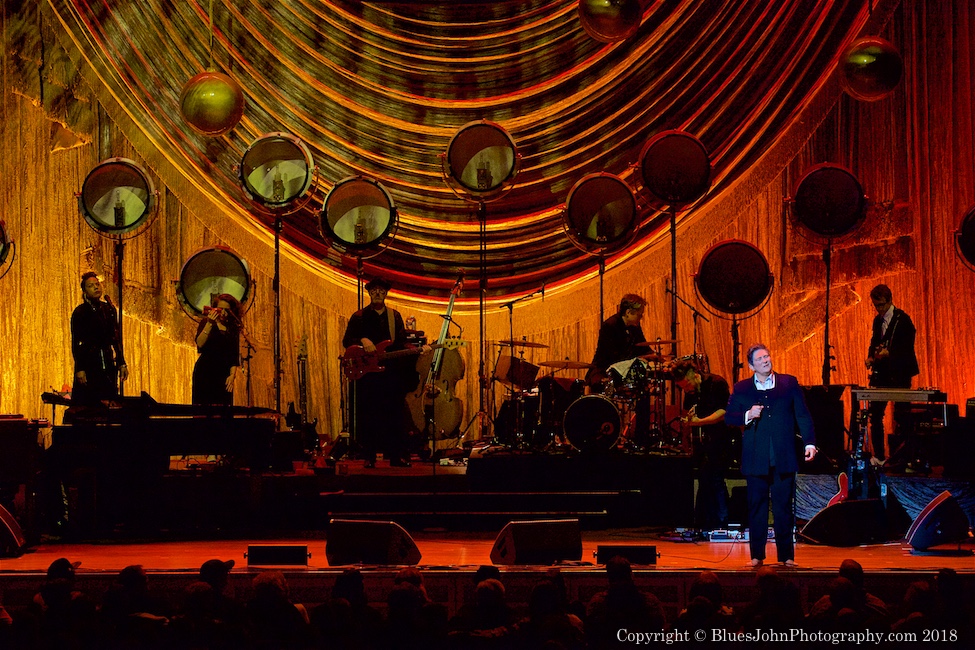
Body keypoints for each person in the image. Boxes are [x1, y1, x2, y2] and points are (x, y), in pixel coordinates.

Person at [725, 344, 816, 567]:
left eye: (767, 356)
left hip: (783, 457)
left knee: (783, 508)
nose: (766, 360)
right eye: (760, 359)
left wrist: (810, 442)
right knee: (757, 507)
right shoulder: (742, 388)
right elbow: (729, 418)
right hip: (756, 459)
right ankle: (757, 556)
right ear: (751, 366)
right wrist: (747, 414)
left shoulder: (788, 383)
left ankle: (786, 557)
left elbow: (802, 414)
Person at [342, 276, 420, 468]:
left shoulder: (395, 317)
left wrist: (418, 349)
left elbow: (401, 343)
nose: (378, 293)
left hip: (390, 374)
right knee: (368, 416)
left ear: (386, 294)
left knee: (394, 415)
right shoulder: (358, 316)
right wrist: (362, 340)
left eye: (381, 290)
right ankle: (368, 456)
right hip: (367, 376)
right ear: (369, 293)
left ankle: (395, 457)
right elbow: (347, 341)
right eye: (374, 290)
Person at [672, 359, 734, 530]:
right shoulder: (692, 393)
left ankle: (722, 522)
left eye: (687, 385)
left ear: (695, 375)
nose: (687, 389)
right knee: (706, 479)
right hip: (703, 442)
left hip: (721, 439)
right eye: (683, 387)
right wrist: (688, 421)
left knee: (715, 478)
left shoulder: (717, 383)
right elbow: (689, 414)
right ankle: (706, 522)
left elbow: (723, 412)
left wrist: (700, 422)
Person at [586, 293, 651, 447]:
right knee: (601, 388)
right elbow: (613, 355)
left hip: (622, 370)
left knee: (644, 391)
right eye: (639, 315)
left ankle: (641, 438)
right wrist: (636, 360)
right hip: (603, 370)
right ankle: (602, 435)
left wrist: (657, 358)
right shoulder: (610, 325)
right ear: (628, 312)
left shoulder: (635, 328)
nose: (640, 318)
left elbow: (643, 347)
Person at [864, 284, 919, 463]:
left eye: (881, 305)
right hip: (882, 374)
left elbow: (908, 349)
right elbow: (875, 342)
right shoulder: (877, 321)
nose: (878, 310)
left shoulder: (903, 320)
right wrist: (871, 357)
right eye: (875, 306)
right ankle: (879, 456)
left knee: (902, 415)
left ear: (890, 301)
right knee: (876, 415)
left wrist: (891, 354)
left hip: (899, 374)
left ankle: (904, 457)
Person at [70, 272, 127, 405]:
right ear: (84, 291)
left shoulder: (108, 309)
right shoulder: (80, 312)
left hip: (107, 360)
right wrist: (80, 368)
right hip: (89, 361)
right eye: (91, 286)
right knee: (89, 402)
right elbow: (76, 342)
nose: (96, 288)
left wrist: (121, 362)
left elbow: (115, 338)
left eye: (97, 284)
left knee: (109, 399)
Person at [192, 293, 241, 405]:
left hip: (223, 372)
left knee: (223, 407)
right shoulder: (206, 322)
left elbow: (234, 354)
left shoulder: (232, 328)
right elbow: (200, 343)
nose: (223, 313)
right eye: (221, 309)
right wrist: (209, 324)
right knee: (204, 406)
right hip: (206, 370)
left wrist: (232, 375)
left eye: (227, 310)